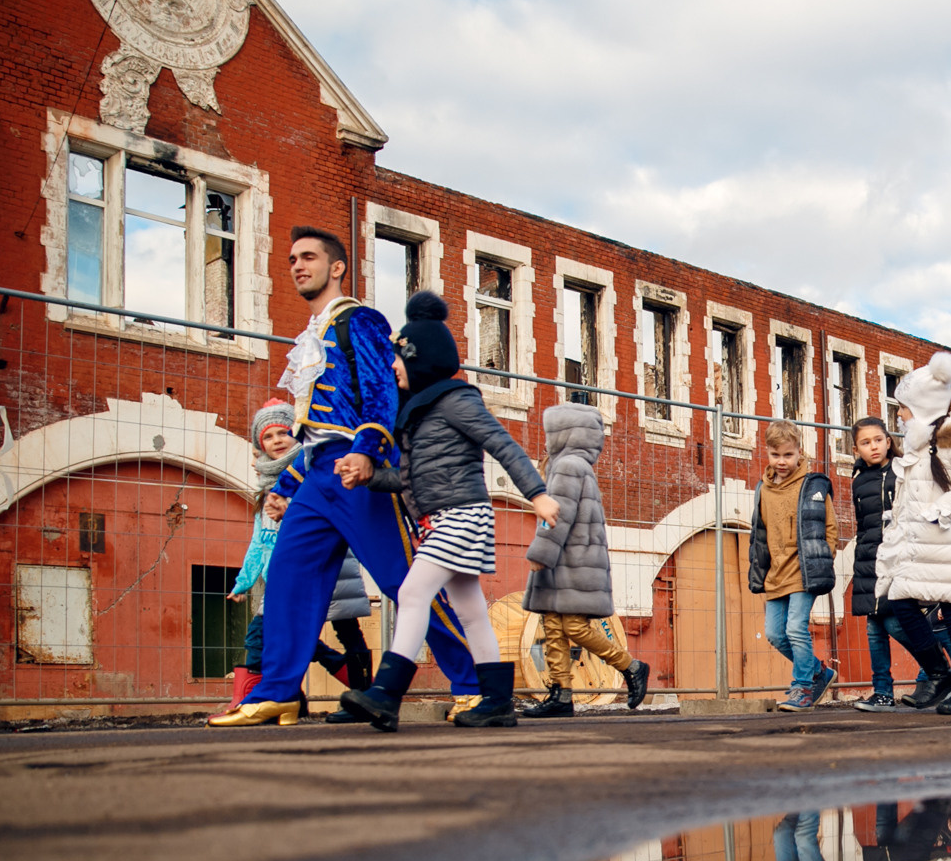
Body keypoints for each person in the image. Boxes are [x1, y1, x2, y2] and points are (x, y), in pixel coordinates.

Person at [211, 231, 481, 726]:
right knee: (289, 579)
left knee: (405, 582)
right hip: (318, 473)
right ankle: (278, 693)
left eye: (309, 257)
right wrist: (284, 488)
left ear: (336, 268)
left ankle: (475, 685)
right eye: (292, 258)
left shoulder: (359, 320)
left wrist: (367, 451)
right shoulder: (311, 334)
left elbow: (380, 393)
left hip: (358, 472)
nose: (297, 265)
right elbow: (311, 434)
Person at [337, 293, 557, 729]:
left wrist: (537, 493)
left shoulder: (457, 401)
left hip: (463, 514)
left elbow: (503, 445)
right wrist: (365, 477)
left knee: (414, 593)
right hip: (442, 519)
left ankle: (387, 692)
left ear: (420, 359)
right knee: (471, 611)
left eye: (400, 359)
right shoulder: (415, 417)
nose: (393, 366)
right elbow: (405, 480)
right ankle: (496, 701)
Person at [227, 398, 376, 718]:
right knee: (265, 633)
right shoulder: (265, 485)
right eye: (268, 436)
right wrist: (244, 580)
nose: (277, 441)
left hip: (330, 565)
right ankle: (272, 697)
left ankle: (363, 696)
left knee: (345, 627)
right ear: (259, 444)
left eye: (284, 432)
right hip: (285, 574)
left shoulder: (312, 467)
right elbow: (259, 540)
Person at [871, 352, 951, 715]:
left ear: (921, 406)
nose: (900, 416)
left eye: (903, 408)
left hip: (947, 539)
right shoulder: (921, 443)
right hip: (923, 543)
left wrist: (942, 510)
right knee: (901, 601)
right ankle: (942, 675)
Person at [517, 403, 650, 717]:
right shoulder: (570, 465)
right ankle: (560, 694)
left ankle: (631, 667)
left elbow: (557, 516)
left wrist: (541, 553)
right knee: (552, 626)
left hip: (570, 562)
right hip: (565, 562)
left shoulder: (568, 467)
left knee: (573, 627)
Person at [747, 421, 839, 711]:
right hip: (776, 573)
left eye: (788, 455)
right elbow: (759, 533)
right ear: (767, 453)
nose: (782, 461)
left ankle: (802, 689)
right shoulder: (763, 489)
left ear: (800, 452)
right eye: (776, 455)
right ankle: (818, 672)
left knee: (796, 629)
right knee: (775, 633)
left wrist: (822, 559)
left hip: (804, 571)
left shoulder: (812, 486)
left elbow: (831, 528)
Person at [849, 417, 905, 712]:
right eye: (865, 442)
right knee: (874, 628)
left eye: (878, 440)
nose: (873, 446)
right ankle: (882, 691)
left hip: (899, 558)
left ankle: (941, 670)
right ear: (856, 447)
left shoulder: (901, 471)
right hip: (870, 560)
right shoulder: (858, 479)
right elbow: (863, 525)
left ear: (888, 440)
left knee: (899, 623)